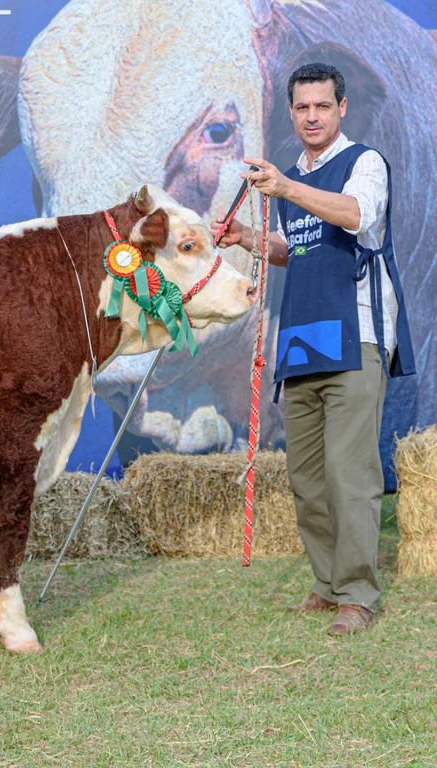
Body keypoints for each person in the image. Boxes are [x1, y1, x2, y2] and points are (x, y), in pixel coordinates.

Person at [214, 62, 415, 636]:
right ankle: (328, 584)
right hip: (301, 338)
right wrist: (249, 239)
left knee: (350, 472)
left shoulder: (363, 163)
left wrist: (286, 187)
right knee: (306, 476)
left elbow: (356, 215)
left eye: (322, 106)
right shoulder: (291, 180)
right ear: (291, 111)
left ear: (342, 108)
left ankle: (357, 594)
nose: (311, 117)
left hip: (357, 335)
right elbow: (296, 248)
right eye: (302, 107)